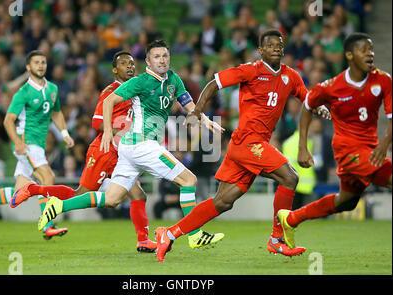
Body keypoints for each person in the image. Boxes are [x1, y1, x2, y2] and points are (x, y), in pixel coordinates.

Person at [154, 29, 331, 262]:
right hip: (248, 142)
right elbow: (213, 83)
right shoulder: (250, 70)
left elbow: (306, 99)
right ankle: (276, 239)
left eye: (279, 45)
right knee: (290, 177)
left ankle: (169, 233)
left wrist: (319, 106)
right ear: (261, 50)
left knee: (223, 202)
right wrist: (197, 110)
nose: (276, 48)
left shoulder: (291, 76)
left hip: (249, 147)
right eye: (270, 45)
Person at [37, 40, 225, 249]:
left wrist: (205, 120)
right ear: (148, 61)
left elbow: (188, 103)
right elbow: (109, 102)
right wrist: (108, 130)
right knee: (189, 180)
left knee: (111, 198)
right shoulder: (141, 82)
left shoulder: (173, 78)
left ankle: (58, 206)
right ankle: (195, 234)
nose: (161, 60)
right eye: (156, 57)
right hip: (142, 145)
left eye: (164, 56)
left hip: (129, 149)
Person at [12, 51, 159, 252]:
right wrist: (121, 133)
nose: (130, 66)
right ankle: (33, 189)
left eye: (132, 63)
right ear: (115, 70)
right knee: (78, 196)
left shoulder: (136, 92)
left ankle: (143, 241)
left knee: (138, 195)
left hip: (123, 154)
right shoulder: (111, 92)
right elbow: (97, 122)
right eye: (124, 64)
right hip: (103, 152)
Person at [277, 32, 392, 249]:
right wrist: (303, 147)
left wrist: (385, 143)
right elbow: (308, 106)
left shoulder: (383, 80)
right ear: (349, 54)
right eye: (364, 50)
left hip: (370, 148)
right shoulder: (331, 87)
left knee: (346, 202)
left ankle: (291, 219)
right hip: (347, 151)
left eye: (372, 49)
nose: (370, 54)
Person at [0, 50, 75, 240]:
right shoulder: (23, 93)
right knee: (48, 176)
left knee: (18, 194)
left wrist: (64, 133)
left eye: (43, 62)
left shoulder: (53, 89)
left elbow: (56, 113)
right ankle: (46, 224)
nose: (40, 65)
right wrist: (17, 143)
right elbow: (8, 121)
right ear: (28, 67)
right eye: (36, 62)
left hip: (37, 144)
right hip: (27, 142)